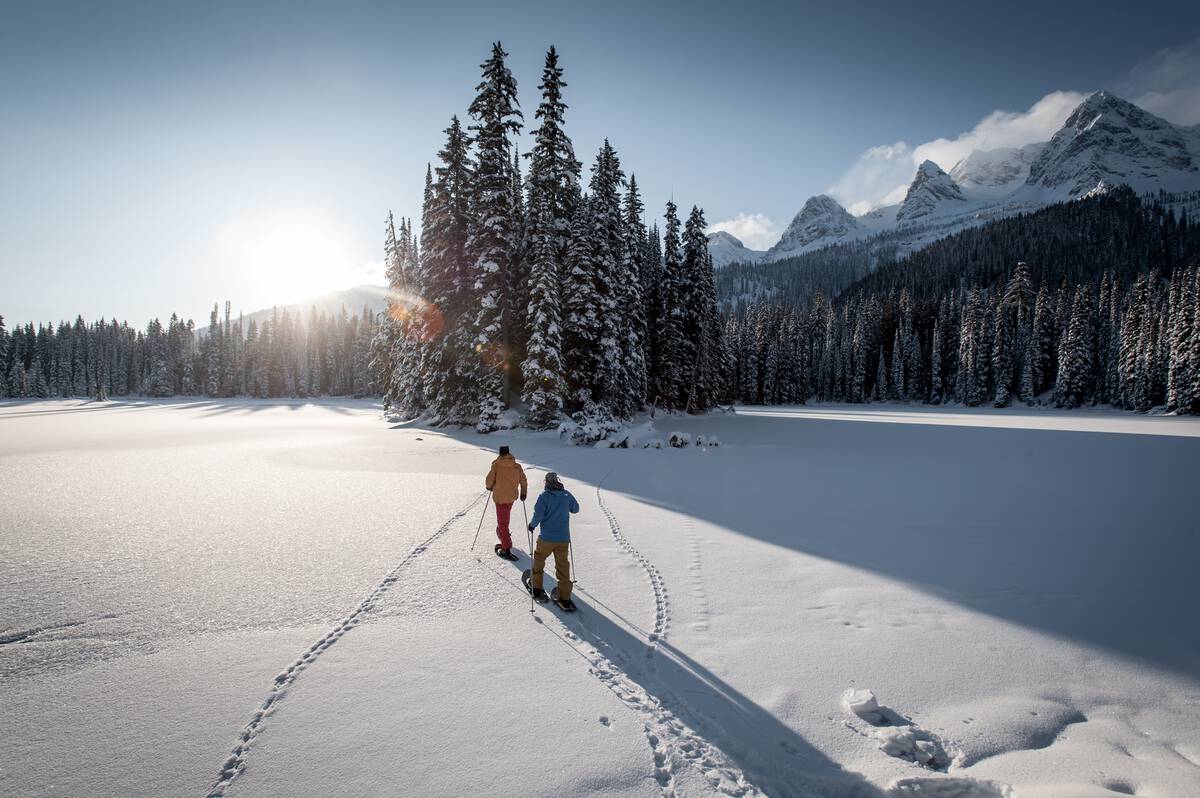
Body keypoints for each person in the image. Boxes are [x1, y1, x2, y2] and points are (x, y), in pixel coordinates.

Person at [526, 471, 580, 610]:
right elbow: (576, 509)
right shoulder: (566, 494)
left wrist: (532, 525)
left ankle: (536, 587)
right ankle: (565, 596)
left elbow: (538, 514)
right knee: (562, 566)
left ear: (546, 482)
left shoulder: (544, 497)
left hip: (546, 538)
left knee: (538, 560)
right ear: (557, 481)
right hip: (563, 538)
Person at [485, 445, 527, 561]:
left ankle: (506, 548)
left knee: (502, 523)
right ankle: (505, 539)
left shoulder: (497, 465)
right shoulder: (516, 466)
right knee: (504, 520)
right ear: (508, 453)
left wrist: (489, 487)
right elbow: (523, 480)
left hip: (500, 498)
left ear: (500, 453)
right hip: (511, 498)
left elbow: (489, 480)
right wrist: (523, 493)